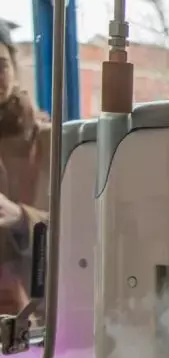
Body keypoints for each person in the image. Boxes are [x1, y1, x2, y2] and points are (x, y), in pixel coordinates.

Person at [0, 20, 50, 318]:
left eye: (1, 65)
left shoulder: (49, 140)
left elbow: (83, 231)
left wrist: (21, 217)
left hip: (32, 318)